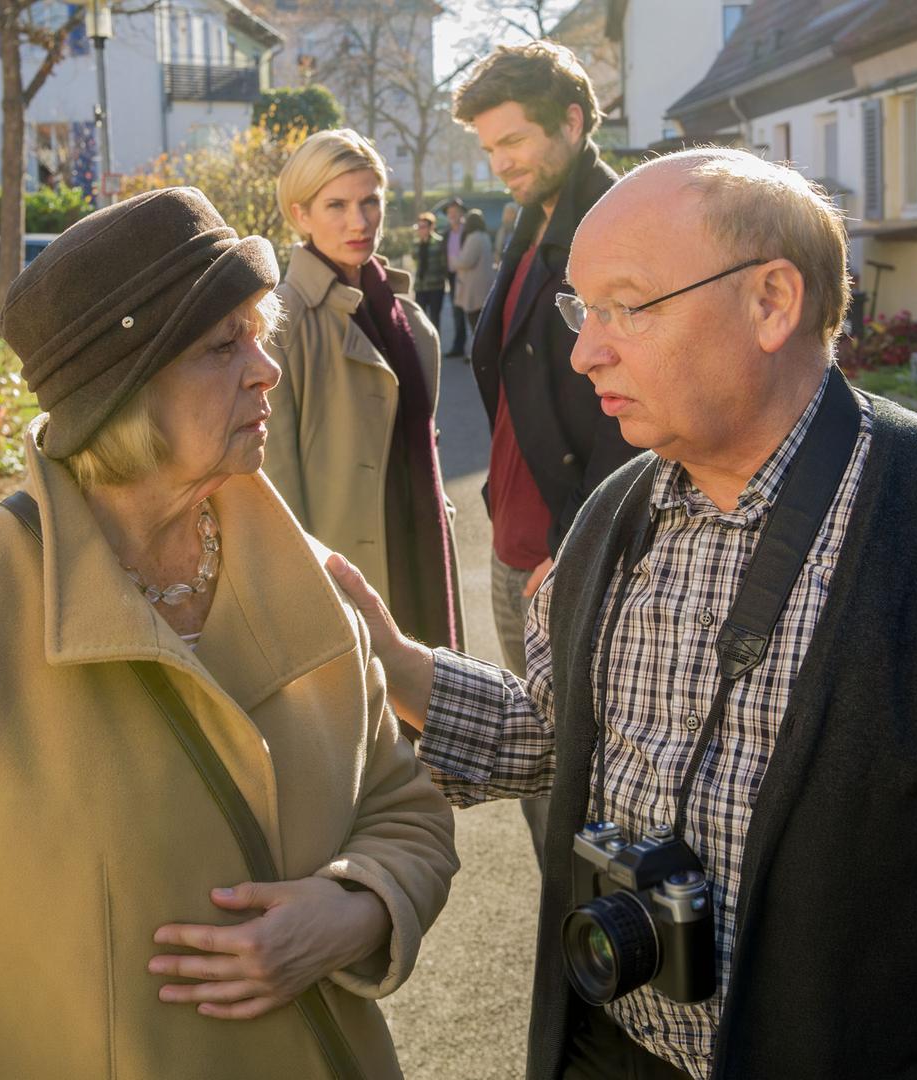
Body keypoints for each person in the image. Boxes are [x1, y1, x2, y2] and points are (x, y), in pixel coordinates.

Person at [330, 147, 917, 1079]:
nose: (584, 352)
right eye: (581, 309)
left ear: (771, 301)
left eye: (626, 306)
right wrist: (394, 662)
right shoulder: (613, 514)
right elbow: (557, 739)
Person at [0, 187, 459, 1079]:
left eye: (258, 333)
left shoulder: (304, 573)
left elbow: (405, 811)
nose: (267, 369)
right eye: (222, 346)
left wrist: (356, 910)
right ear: (121, 391)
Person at [450, 40, 640, 859]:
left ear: (571, 120)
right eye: (489, 148)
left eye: (513, 141)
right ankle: (559, 917)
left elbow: (635, 407)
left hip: (572, 552)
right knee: (537, 760)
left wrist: (580, 545)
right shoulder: (529, 221)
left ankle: (594, 927)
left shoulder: (621, 225)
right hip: (513, 545)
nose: (500, 164)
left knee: (589, 776)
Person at [262, 128, 464, 650]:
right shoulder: (281, 323)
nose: (359, 221)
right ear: (301, 214)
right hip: (343, 578)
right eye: (336, 205)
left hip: (423, 552)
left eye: (370, 201)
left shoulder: (406, 316)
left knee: (439, 690)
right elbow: (273, 490)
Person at [450, 208, 494, 361]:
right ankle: (481, 352)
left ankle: (478, 354)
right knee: (481, 323)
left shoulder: (474, 238)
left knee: (474, 323)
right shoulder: (485, 236)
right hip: (484, 286)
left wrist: (453, 260)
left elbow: (466, 261)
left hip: (474, 288)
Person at [438, 197, 468, 356]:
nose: (453, 215)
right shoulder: (446, 233)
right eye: (450, 212)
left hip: (467, 276)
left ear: (462, 213)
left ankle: (478, 348)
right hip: (452, 276)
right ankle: (459, 346)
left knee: (471, 312)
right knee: (457, 313)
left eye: (455, 211)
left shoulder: (468, 231)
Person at [412, 212, 448, 333]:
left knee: (434, 318)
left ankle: (435, 341)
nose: (421, 230)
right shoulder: (416, 244)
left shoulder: (439, 242)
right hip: (420, 287)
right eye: (419, 227)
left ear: (431, 227)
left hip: (436, 287)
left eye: (423, 227)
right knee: (419, 318)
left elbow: (444, 264)